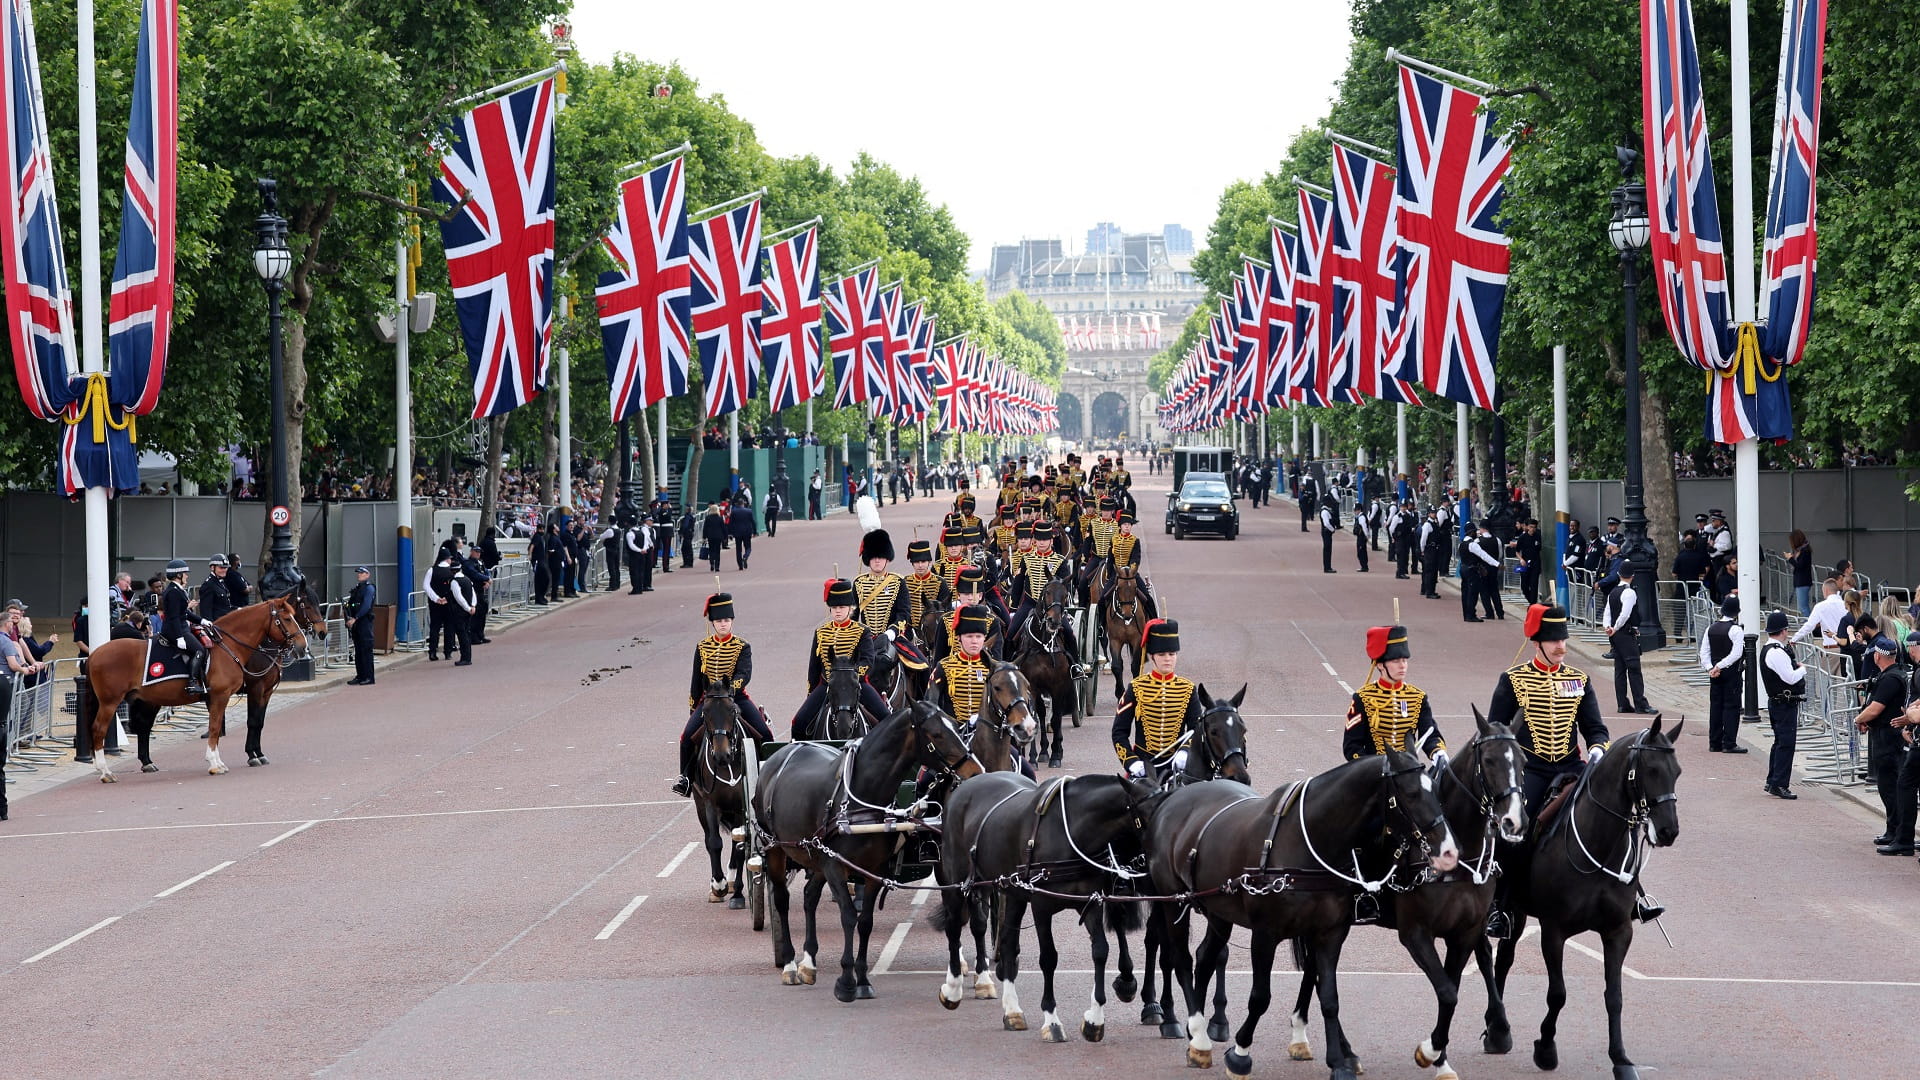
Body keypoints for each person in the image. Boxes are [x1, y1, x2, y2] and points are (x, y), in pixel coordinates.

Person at [1484, 604, 1654, 938]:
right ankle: (1502, 905)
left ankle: (1633, 895)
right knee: (1516, 827)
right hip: (1530, 769)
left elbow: (1596, 729)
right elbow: (1495, 730)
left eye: (1563, 639)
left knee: (1618, 814)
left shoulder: (1578, 680)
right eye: (1553, 640)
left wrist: (1596, 750)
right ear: (1537, 643)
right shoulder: (1514, 680)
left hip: (1571, 764)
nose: (1561, 646)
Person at [673, 592, 772, 797]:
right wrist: (694, 707)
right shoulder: (702, 647)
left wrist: (730, 690)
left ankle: (769, 774)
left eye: (726, 620)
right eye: (719, 621)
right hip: (709, 700)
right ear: (713, 623)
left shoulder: (742, 646)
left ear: (732, 621)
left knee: (764, 733)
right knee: (686, 737)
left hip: (735, 697)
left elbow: (744, 673)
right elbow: (696, 680)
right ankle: (686, 778)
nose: (723, 624)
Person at [790, 579, 891, 739]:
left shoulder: (862, 631)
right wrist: (811, 693)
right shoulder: (821, 632)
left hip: (856, 684)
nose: (838, 611)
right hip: (828, 685)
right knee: (799, 722)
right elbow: (814, 667)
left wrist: (852, 675)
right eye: (835, 607)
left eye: (842, 607)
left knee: (887, 719)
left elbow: (868, 660)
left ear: (850, 608)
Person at [1112, 619, 1201, 778]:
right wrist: (1131, 762)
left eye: (1172, 654)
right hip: (1144, 766)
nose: (1167, 659)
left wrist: (1186, 751)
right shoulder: (1136, 687)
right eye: (1162, 654)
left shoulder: (1188, 689)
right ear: (1152, 656)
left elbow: (1196, 729)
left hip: (1177, 767)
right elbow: (1119, 732)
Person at [1344, 625, 1445, 762]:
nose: (1402, 665)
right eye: (1396, 661)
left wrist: (1437, 751)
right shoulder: (1363, 698)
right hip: (1375, 772)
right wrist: (1371, 767)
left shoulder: (1418, 697)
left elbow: (1430, 733)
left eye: (1404, 660)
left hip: (1409, 771)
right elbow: (1352, 746)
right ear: (1380, 665)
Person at [1854, 637, 1908, 852]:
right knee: (1888, 786)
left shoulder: (1890, 679)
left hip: (1888, 737)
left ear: (1877, 656)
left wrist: (1859, 719)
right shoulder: (1892, 675)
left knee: (1889, 786)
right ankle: (1892, 829)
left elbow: (1876, 708)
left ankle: (1896, 831)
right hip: (1886, 734)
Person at [1759, 610, 1805, 799]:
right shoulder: (1776, 652)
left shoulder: (1770, 649)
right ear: (1783, 631)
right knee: (1786, 743)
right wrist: (1802, 670)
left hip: (1779, 702)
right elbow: (1790, 678)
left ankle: (1773, 780)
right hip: (1783, 703)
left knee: (1780, 742)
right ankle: (1779, 783)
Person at [928, 605, 995, 725]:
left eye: (978, 636)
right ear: (959, 638)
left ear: (984, 638)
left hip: (985, 731)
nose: (974, 641)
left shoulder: (994, 668)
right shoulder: (944, 666)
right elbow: (930, 702)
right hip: (952, 732)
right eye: (969, 636)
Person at [1607, 564, 1655, 714]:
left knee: (1620, 669)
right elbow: (1625, 614)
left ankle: (1622, 703)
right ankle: (1641, 704)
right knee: (1634, 669)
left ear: (1619, 575)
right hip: (1625, 634)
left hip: (1615, 635)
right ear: (1632, 576)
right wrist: (1616, 627)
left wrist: (1608, 627)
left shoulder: (1613, 592)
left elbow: (1607, 612)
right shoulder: (1629, 593)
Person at [158, 560, 211, 695]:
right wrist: (180, 637)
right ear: (178, 575)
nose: (187, 576)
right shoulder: (174, 592)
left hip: (181, 627)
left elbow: (185, 613)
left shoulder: (177, 590)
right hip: (176, 630)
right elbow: (175, 617)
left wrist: (202, 621)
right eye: (185, 574)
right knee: (200, 650)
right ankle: (192, 683)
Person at [423, 543, 473, 665]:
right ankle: (448, 651)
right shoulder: (452, 572)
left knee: (434, 627)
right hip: (450, 604)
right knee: (449, 627)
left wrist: (436, 598)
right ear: (447, 558)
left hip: (435, 604)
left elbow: (426, 586)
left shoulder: (432, 569)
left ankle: (432, 652)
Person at [457, 538, 493, 645]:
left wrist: (488, 580)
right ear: (471, 552)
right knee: (475, 616)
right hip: (473, 591)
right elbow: (474, 574)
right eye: (476, 552)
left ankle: (480, 634)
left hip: (481, 591)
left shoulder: (480, 563)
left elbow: (487, 572)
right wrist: (486, 579)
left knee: (482, 614)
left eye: (479, 552)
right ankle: (473, 637)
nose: (478, 554)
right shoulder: (468, 563)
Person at [345, 566, 376, 686]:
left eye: (362, 573)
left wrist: (355, 617)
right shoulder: (358, 589)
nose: (359, 575)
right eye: (358, 573)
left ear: (367, 575)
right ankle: (360, 675)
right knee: (358, 650)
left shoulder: (369, 588)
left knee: (366, 649)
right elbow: (352, 604)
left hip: (364, 621)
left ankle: (368, 676)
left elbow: (366, 605)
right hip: (355, 622)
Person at [199, 554, 237, 624]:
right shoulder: (208, 585)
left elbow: (225, 606)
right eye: (221, 568)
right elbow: (206, 613)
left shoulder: (221, 582)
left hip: (227, 623)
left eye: (225, 568)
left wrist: (239, 609)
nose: (224, 570)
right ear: (212, 568)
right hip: (218, 626)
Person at [1512, 518, 1542, 606]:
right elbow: (1517, 551)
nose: (1532, 529)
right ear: (1527, 527)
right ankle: (1530, 600)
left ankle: (1533, 603)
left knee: (1534, 584)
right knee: (1524, 585)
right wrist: (1521, 559)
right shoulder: (1522, 537)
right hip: (1525, 563)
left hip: (1535, 563)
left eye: (1534, 527)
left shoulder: (1538, 536)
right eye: (1531, 527)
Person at [625, 517, 654, 594]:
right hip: (642, 554)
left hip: (634, 555)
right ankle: (640, 587)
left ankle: (636, 588)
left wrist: (639, 550)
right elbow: (646, 542)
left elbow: (631, 545)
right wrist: (644, 549)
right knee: (641, 571)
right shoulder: (641, 532)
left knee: (634, 571)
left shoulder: (630, 533)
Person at [728, 497, 755, 570]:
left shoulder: (734, 512)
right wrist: (754, 531)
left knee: (738, 549)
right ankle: (745, 556)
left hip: (737, 532)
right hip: (747, 532)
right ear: (743, 504)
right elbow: (753, 522)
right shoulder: (749, 511)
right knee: (748, 547)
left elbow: (730, 523)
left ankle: (740, 565)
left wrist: (730, 533)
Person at [701, 501, 728, 573]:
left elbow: (705, 528)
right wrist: (725, 537)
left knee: (711, 550)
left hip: (710, 536)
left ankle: (712, 563)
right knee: (717, 551)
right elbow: (723, 528)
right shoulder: (720, 518)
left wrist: (704, 537)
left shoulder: (708, 518)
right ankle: (717, 566)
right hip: (718, 536)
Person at [1319, 491, 1340, 574]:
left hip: (1327, 532)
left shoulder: (1327, 510)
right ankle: (1327, 567)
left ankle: (1328, 566)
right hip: (1326, 532)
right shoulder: (1324, 511)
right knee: (1327, 550)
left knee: (1328, 550)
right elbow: (1326, 523)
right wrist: (1332, 529)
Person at [600, 520, 624, 592]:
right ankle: (617, 583)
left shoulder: (610, 530)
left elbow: (601, 537)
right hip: (617, 550)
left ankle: (612, 585)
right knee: (616, 567)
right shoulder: (618, 530)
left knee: (611, 568)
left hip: (610, 550)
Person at [1352, 502, 1371, 573]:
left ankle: (1364, 566)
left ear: (1359, 510)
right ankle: (1364, 566)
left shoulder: (1361, 517)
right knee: (1362, 551)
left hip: (1362, 537)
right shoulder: (1360, 516)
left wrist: (1367, 535)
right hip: (1360, 536)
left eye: (1356, 510)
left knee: (1361, 552)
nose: (1355, 511)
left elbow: (1364, 526)